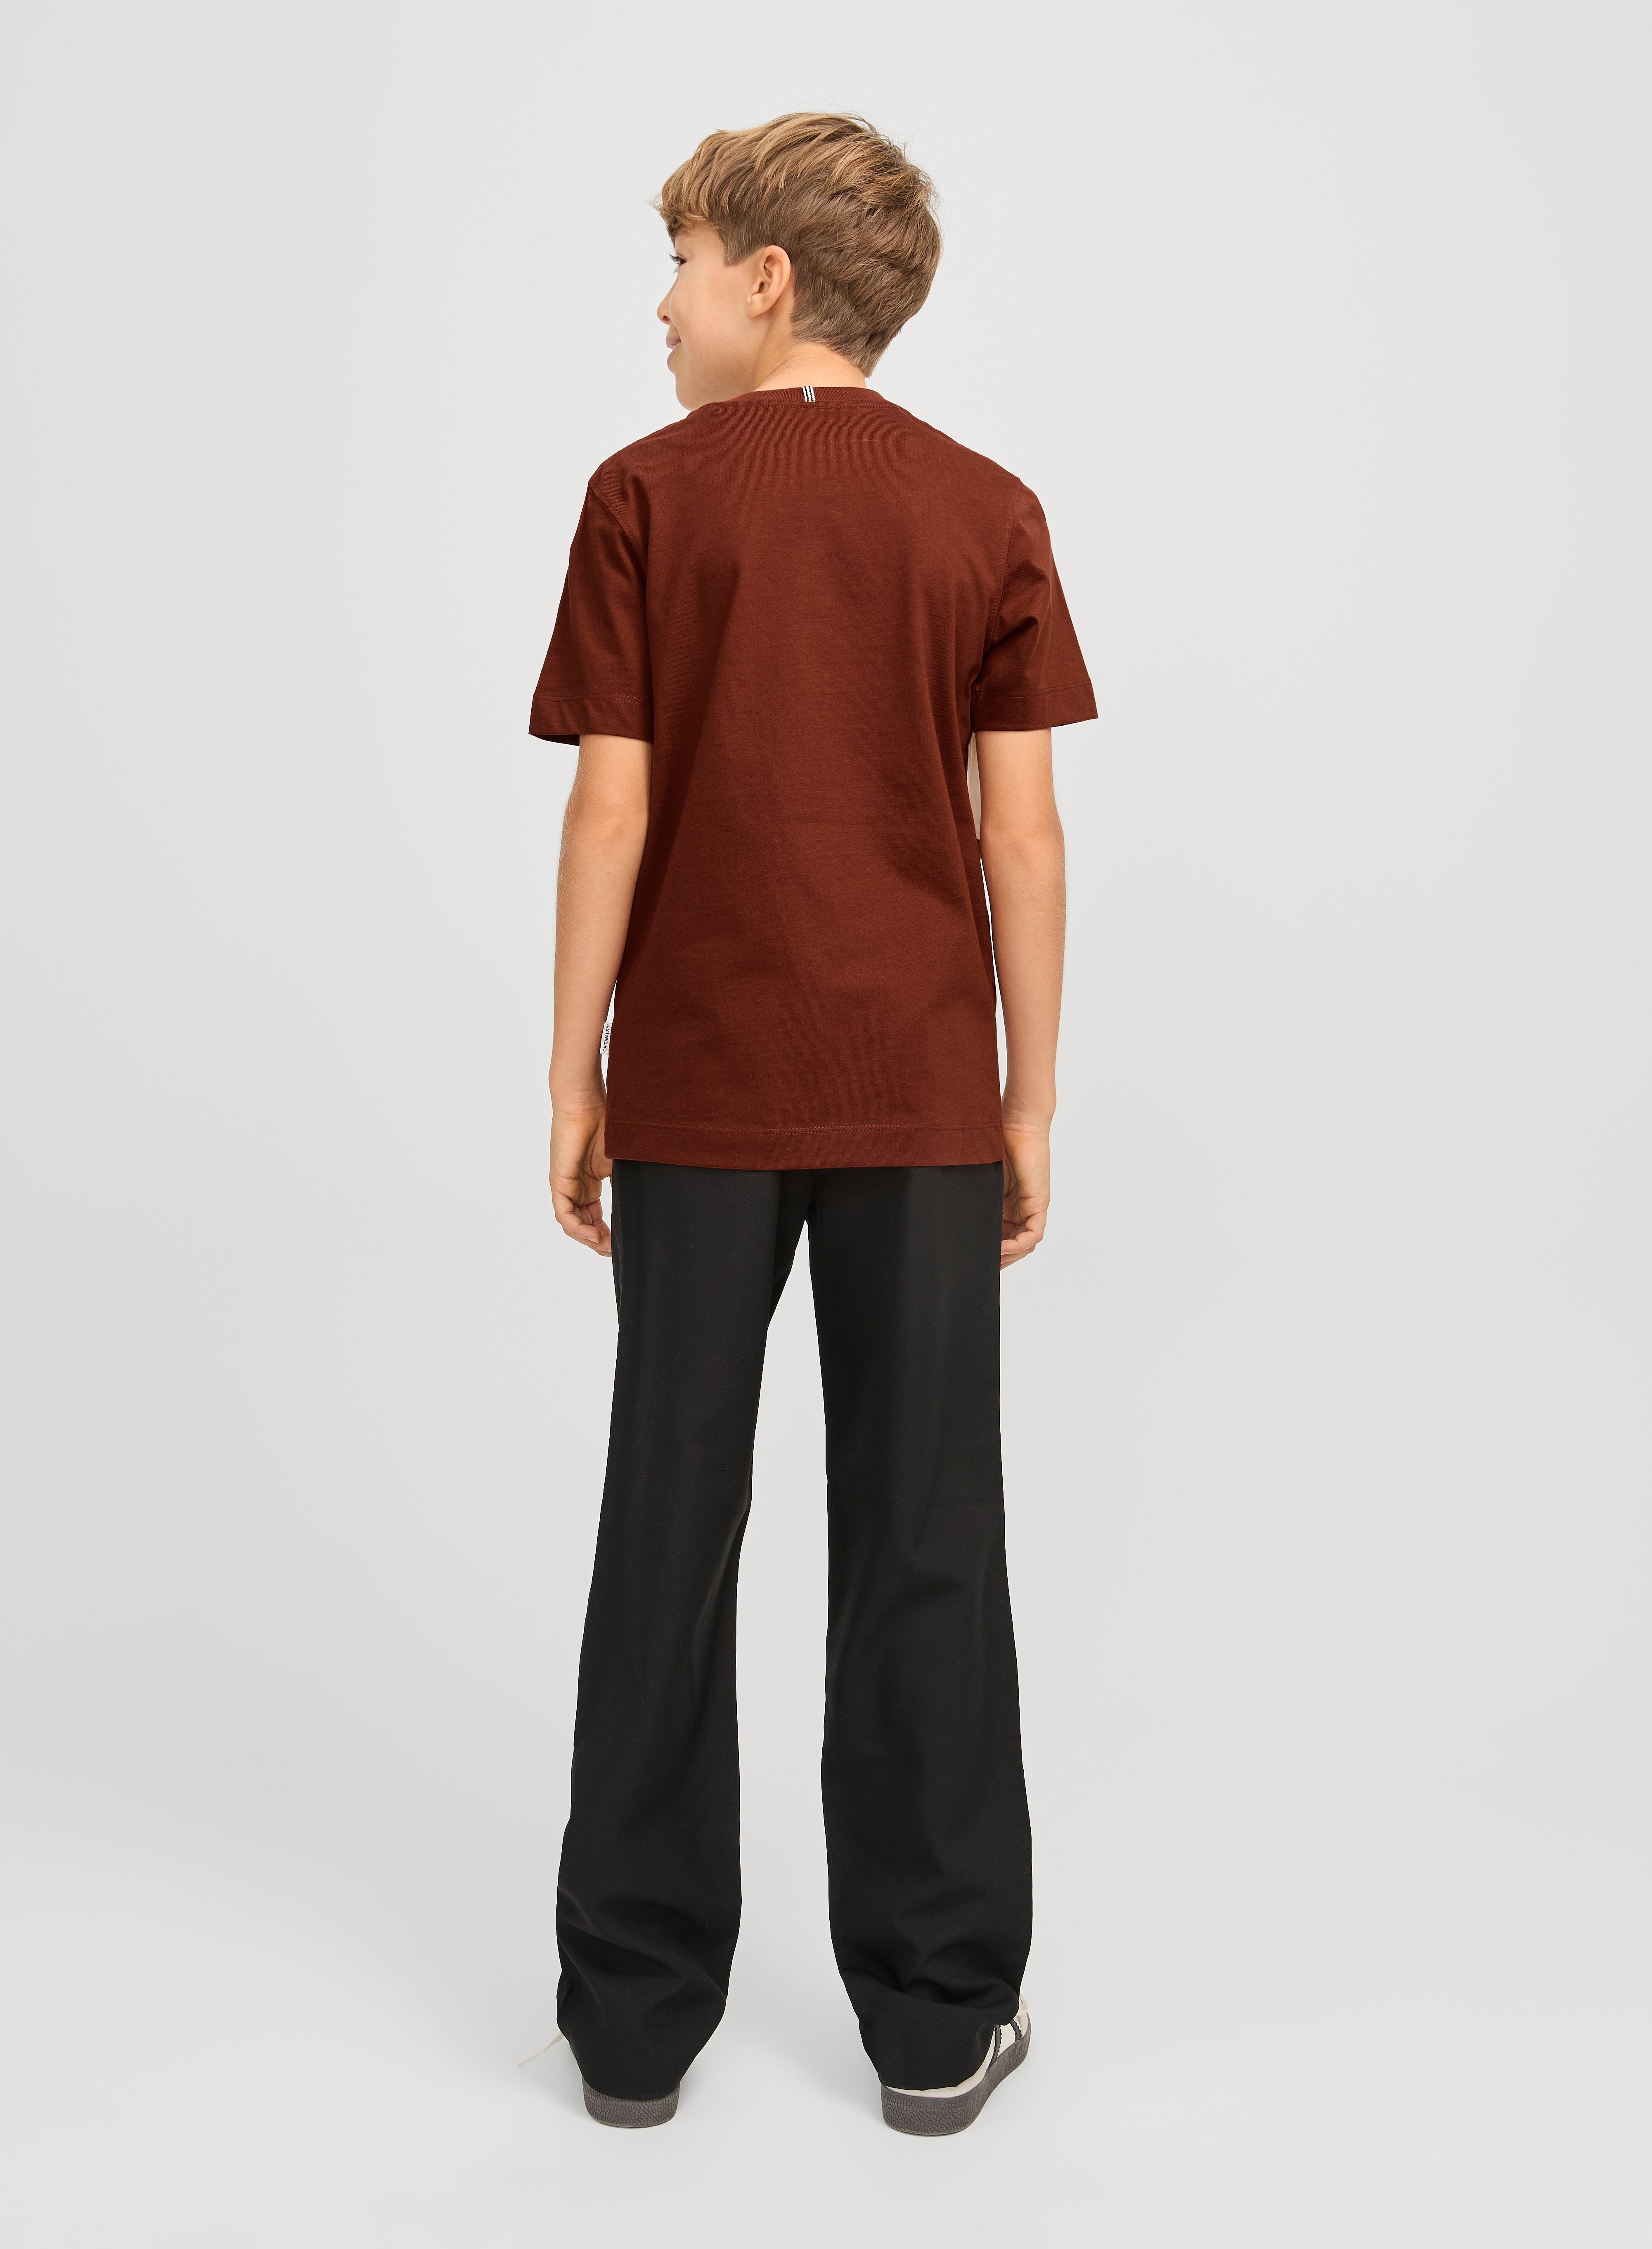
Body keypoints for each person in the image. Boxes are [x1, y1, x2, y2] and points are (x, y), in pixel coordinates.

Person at [529, 111, 1096, 2136]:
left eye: (680, 266)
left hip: (697, 1096)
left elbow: (612, 804)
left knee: (665, 1526)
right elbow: (1018, 836)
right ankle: (936, 2018)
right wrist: (1027, 1094)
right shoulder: (985, 509)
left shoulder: (643, 497)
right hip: (918, 1098)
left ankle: (628, 2027)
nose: (660, 308)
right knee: (924, 1537)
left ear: (766, 284)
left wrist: (574, 1067)